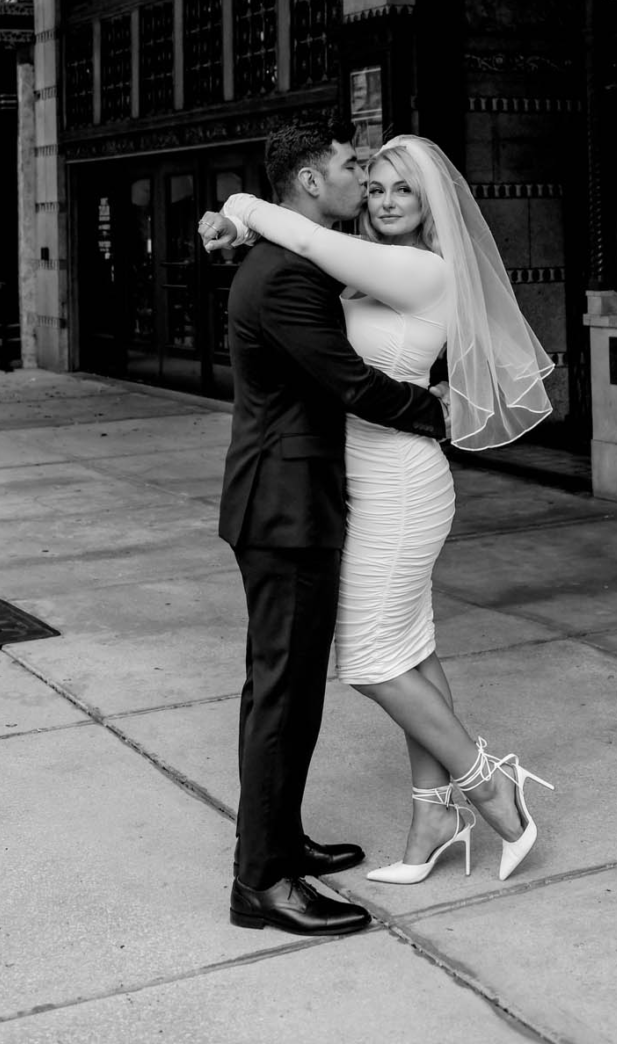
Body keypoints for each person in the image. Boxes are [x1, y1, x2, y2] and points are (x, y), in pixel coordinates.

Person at [201, 131, 556, 899]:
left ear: (433, 209)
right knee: (412, 651)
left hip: (398, 482)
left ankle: (489, 784)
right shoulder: (357, 268)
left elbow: (296, 229)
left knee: (368, 660)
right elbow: (299, 255)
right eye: (374, 183)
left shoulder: (422, 267)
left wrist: (237, 205)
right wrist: (236, 228)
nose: (382, 197)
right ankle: (434, 819)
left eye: (401, 189)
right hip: (357, 483)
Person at [206, 116, 450, 940]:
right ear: (311, 183)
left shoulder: (290, 259)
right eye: (353, 168)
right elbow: (349, 382)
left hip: (293, 501)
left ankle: (281, 841)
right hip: (286, 508)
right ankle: (262, 883)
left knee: (290, 690)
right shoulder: (286, 277)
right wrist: (433, 409)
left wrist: (233, 213)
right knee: (281, 694)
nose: (363, 180)